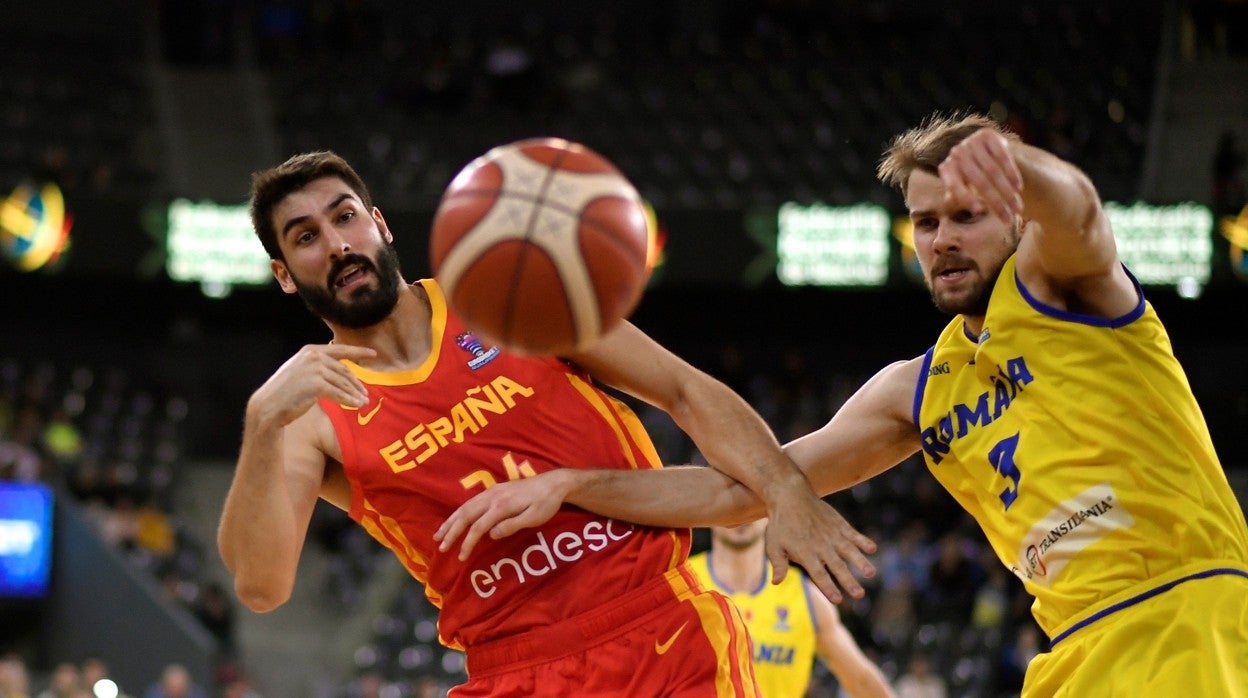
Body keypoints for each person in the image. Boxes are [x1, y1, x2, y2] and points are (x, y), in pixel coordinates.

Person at [437, 112, 1248, 696]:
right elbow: (744, 488)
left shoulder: (1071, 291)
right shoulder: (915, 389)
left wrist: (1013, 160)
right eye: (926, 223)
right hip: (1073, 651)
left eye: (966, 216)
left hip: (1191, 612)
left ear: (1014, 217)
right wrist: (575, 485)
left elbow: (1079, 211)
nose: (942, 240)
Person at [217, 151, 862, 696]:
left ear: (379, 224)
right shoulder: (310, 414)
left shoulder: (503, 296)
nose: (336, 245)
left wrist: (785, 491)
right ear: (283, 274)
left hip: (659, 631)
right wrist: (262, 421)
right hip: (512, 669)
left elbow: (683, 390)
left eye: (345, 217)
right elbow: (261, 584)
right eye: (305, 238)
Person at [690, 519, 894, 698]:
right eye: (730, 503)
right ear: (710, 508)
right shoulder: (679, 584)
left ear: (768, 508)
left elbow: (862, 681)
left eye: (748, 502)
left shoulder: (807, 598)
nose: (740, 515)